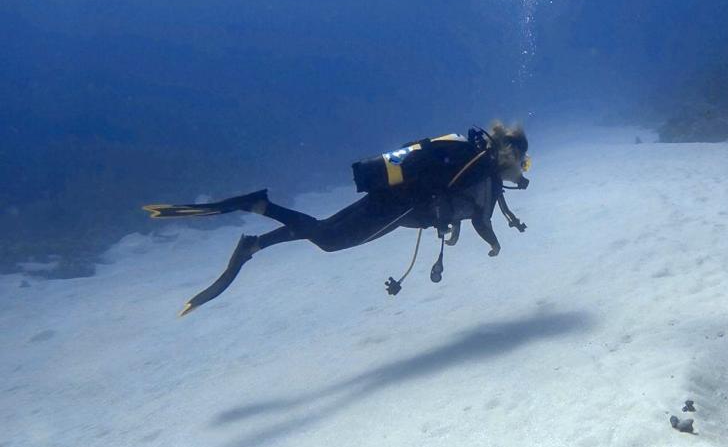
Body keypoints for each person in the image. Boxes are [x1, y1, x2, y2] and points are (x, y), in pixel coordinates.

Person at [143, 122, 530, 316]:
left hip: (394, 198)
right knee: (330, 240)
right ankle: (260, 207)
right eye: (522, 163)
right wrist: (494, 245)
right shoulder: (485, 174)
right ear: (510, 153)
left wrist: (453, 228)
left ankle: (256, 244)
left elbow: (456, 202)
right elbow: (481, 218)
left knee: (327, 227)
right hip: (400, 208)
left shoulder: (471, 158)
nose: (521, 173)